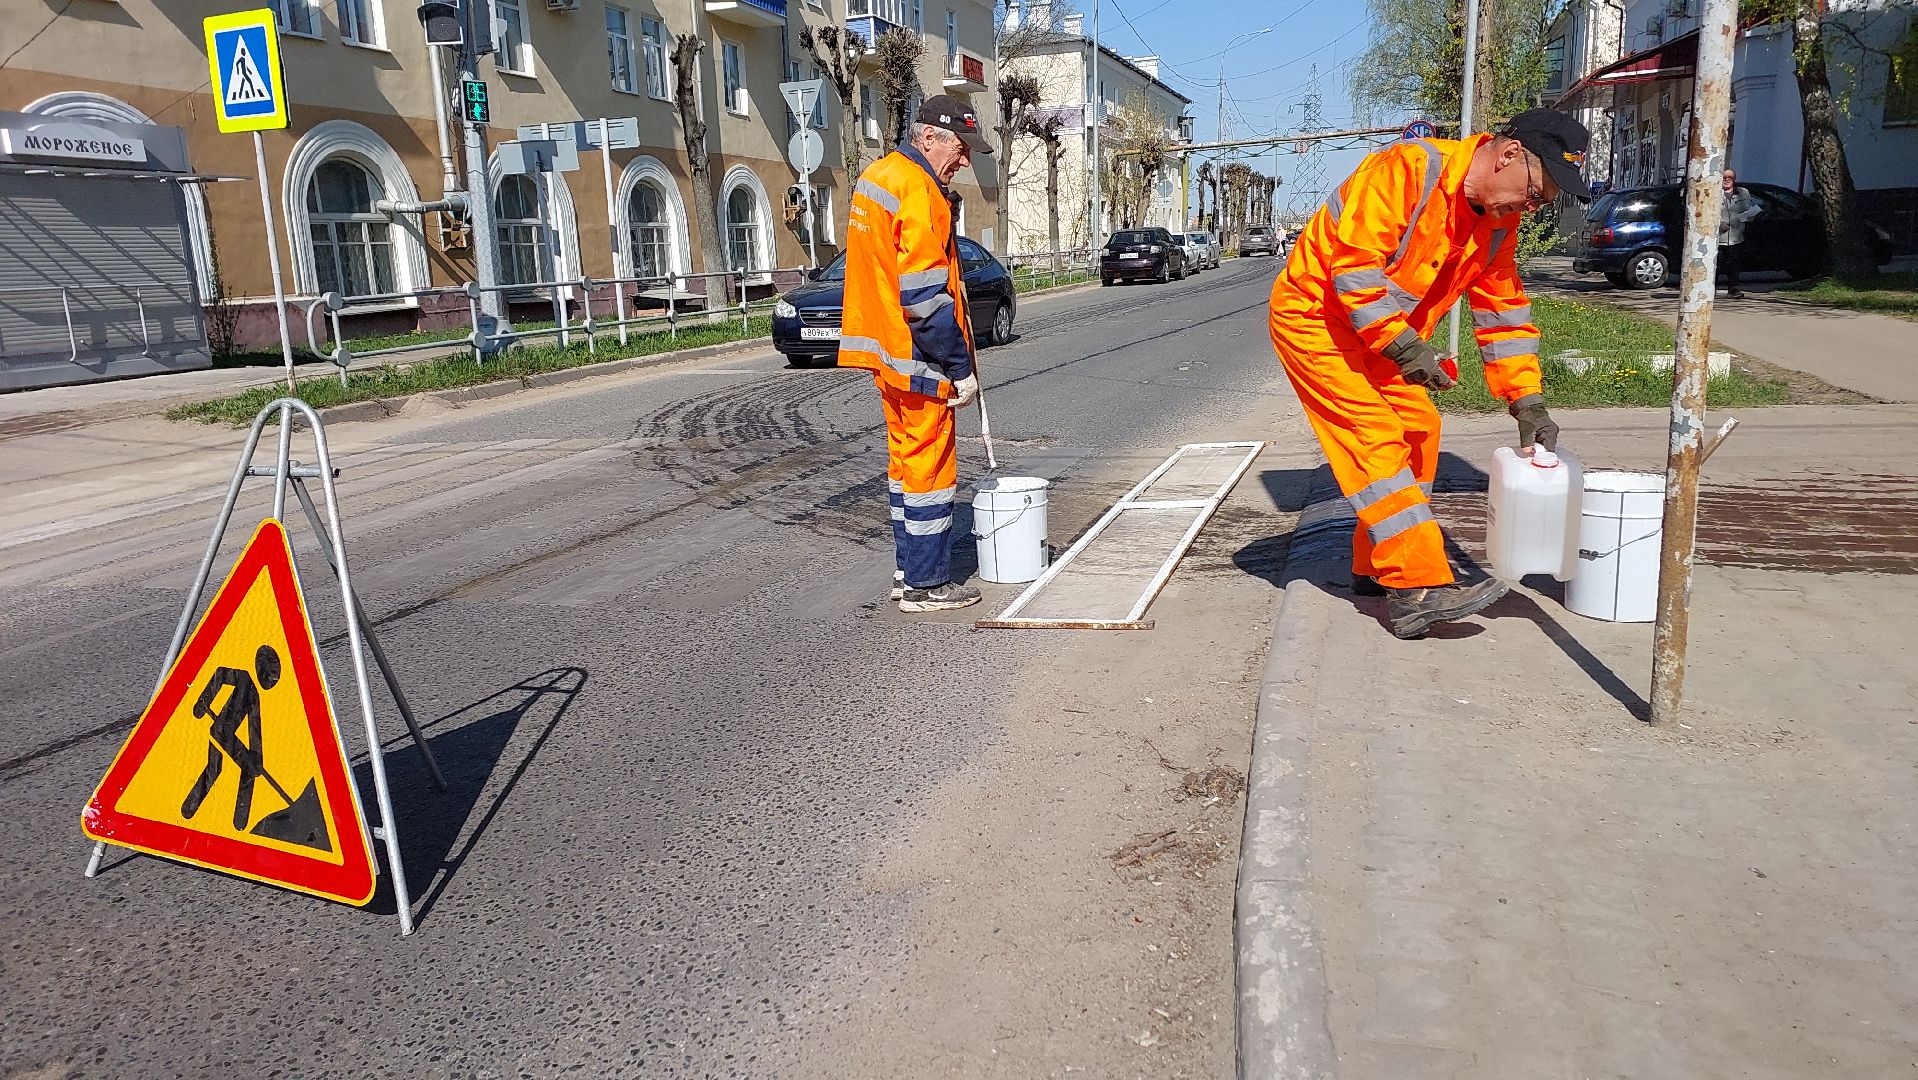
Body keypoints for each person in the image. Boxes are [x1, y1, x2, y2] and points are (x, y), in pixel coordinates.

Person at [1268, 109, 1591, 639]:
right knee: (1375, 438)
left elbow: (1503, 312)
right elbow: (1354, 270)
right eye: (1535, 192)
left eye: (1542, 203)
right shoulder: (1409, 170)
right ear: (1508, 154)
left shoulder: (1496, 223)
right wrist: (1404, 347)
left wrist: (1526, 399)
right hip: (1316, 320)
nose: (1531, 208)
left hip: (1384, 337)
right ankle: (1416, 588)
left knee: (1421, 430)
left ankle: (1377, 565)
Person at [840, 95, 993, 612]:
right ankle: (927, 586)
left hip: (887, 356)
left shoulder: (876, 177)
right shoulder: (920, 191)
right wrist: (960, 368)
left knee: (906, 469)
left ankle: (909, 573)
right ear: (929, 137)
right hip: (921, 358)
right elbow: (925, 298)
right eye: (961, 146)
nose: (966, 160)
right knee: (929, 471)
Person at [1718, 168, 1761, 299]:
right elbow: (1707, 213)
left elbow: (1748, 210)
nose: (1726, 180)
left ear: (1734, 179)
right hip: (1718, 237)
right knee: (1716, 264)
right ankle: (1710, 289)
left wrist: (1750, 216)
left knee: (1734, 265)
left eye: (1729, 178)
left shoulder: (1743, 193)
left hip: (1736, 237)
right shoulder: (1713, 192)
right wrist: (1719, 224)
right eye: (1724, 177)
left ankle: (1733, 289)